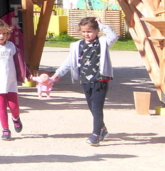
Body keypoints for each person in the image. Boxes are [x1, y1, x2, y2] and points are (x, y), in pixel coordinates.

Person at [49, 16, 118, 145]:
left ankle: (95, 135)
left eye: (90, 31)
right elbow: (69, 61)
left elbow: (113, 36)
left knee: (97, 108)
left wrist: (102, 26)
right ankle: (102, 128)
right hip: (85, 81)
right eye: (84, 31)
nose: (87, 34)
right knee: (92, 107)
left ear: (97, 31)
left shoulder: (102, 42)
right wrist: (57, 74)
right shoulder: (77, 45)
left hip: (100, 80)